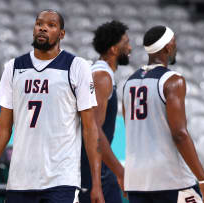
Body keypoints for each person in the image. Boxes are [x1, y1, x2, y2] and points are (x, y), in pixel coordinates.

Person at [0, 10, 105, 203]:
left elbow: (90, 129)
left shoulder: (77, 66)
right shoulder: (14, 67)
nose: (43, 27)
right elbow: (2, 128)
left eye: (51, 25)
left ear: (62, 34)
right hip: (20, 181)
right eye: (39, 23)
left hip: (61, 181)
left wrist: (96, 183)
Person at [122, 25, 204, 203]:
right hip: (171, 179)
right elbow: (179, 134)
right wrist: (203, 179)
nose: (175, 47)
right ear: (167, 47)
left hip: (136, 180)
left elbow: (131, 129)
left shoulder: (129, 82)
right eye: (174, 43)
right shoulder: (173, 81)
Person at [79, 20, 131, 203]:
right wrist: (120, 171)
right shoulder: (101, 77)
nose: (130, 48)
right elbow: (94, 132)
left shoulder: (102, 74)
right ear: (114, 49)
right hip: (92, 170)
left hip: (99, 168)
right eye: (126, 43)